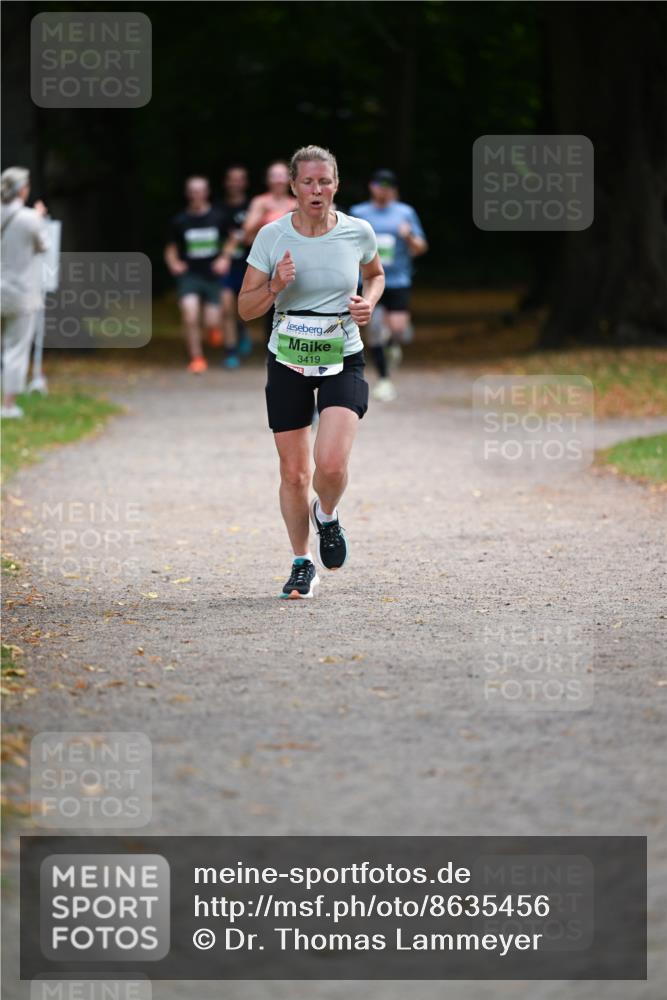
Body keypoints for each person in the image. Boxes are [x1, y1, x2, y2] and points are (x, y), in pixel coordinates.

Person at [239, 145, 384, 599]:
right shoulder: (272, 236)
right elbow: (245, 308)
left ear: (336, 184)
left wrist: (369, 302)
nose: (316, 189)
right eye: (307, 182)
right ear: (293, 187)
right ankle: (302, 562)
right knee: (294, 473)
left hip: (343, 354)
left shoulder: (358, 231)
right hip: (287, 358)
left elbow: (375, 274)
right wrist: (275, 285)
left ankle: (328, 515)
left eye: (324, 181)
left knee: (333, 463)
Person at [351, 169, 428, 401]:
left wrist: (408, 236)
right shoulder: (359, 212)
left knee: (398, 328)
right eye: (378, 184)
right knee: (373, 330)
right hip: (368, 278)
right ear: (371, 186)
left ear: (393, 189)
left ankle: (394, 343)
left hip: (398, 280)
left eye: (387, 185)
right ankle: (384, 379)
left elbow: (421, 247)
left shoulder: (405, 212)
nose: (382, 189)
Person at [164, 176, 230, 373]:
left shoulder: (218, 217)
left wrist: (224, 258)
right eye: (192, 191)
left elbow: (232, 240)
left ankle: (213, 330)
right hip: (190, 275)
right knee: (190, 315)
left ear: (207, 192)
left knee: (212, 321)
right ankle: (197, 358)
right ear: (187, 194)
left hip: (212, 275)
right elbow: (170, 247)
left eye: (200, 190)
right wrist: (174, 263)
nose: (196, 195)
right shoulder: (179, 221)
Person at [1, 167, 49, 419]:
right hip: (20, 294)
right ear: (22, 190)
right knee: (15, 349)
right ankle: (8, 406)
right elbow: (44, 245)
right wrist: (40, 217)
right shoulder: (29, 218)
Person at [243, 162, 298, 344]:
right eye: (275, 175)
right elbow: (247, 234)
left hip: (293, 261)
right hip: (267, 262)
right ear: (268, 179)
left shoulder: (296, 203)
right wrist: (263, 217)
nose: (279, 180)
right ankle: (272, 346)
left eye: (282, 175)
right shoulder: (260, 202)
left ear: (290, 179)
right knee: (270, 305)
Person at [217, 165, 252, 369]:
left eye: (240, 179)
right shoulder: (218, 208)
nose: (236, 183)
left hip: (249, 265)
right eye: (232, 179)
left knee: (243, 309)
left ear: (245, 182)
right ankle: (231, 352)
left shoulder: (254, 205)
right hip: (227, 267)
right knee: (226, 308)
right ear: (226, 182)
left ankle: (243, 330)